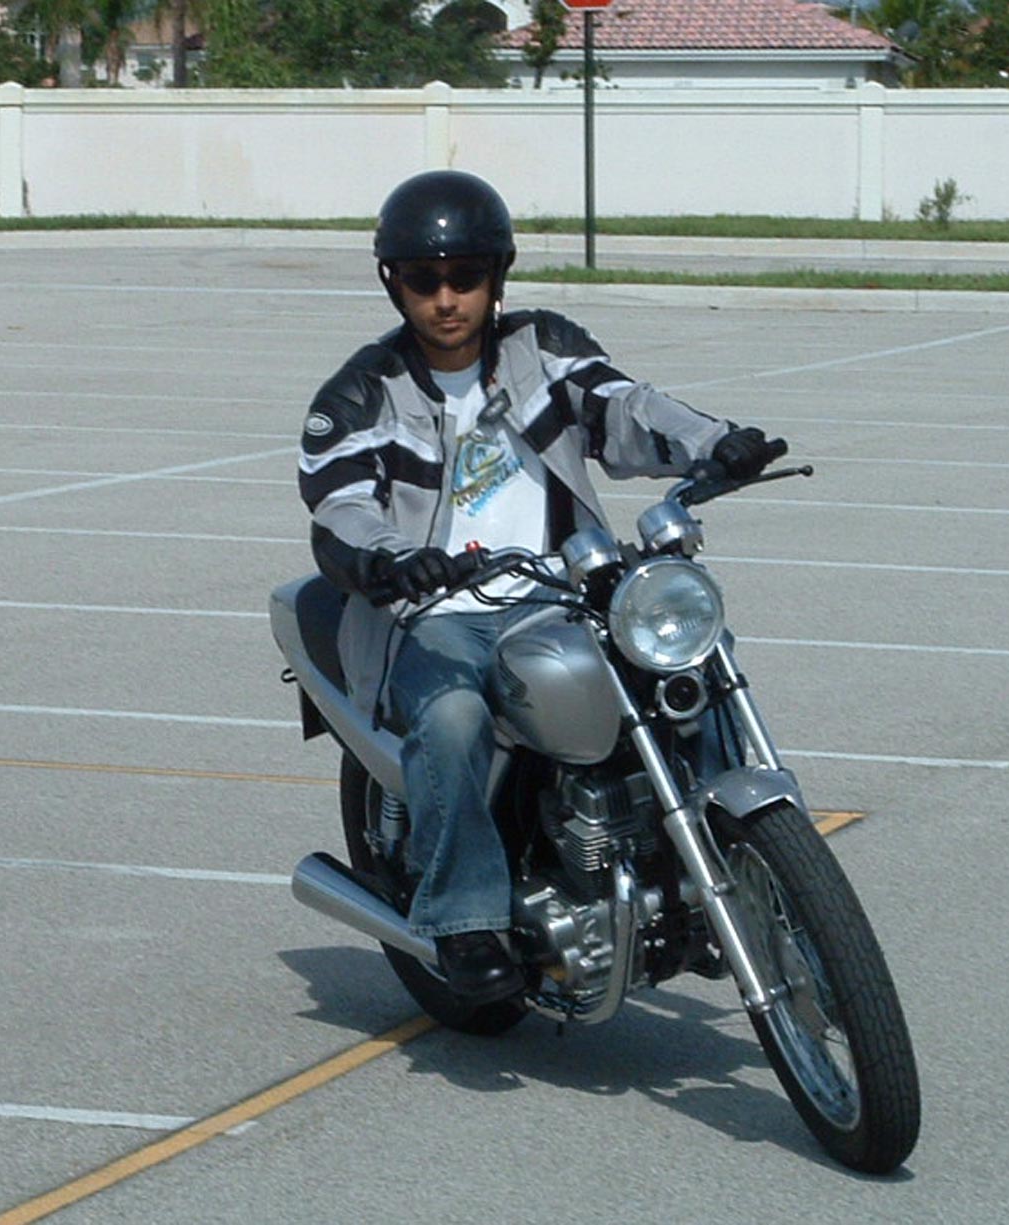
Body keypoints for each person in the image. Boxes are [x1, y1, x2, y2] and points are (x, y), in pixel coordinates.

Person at [298, 171, 785, 1004]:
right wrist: (391, 560)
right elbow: (340, 505)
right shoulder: (361, 393)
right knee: (453, 717)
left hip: (565, 589)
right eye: (423, 279)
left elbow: (622, 405)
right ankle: (463, 920)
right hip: (434, 612)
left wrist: (715, 442)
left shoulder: (541, 348)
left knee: (693, 654)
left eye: (465, 275)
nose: (445, 298)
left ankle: (723, 845)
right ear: (393, 282)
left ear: (498, 274)